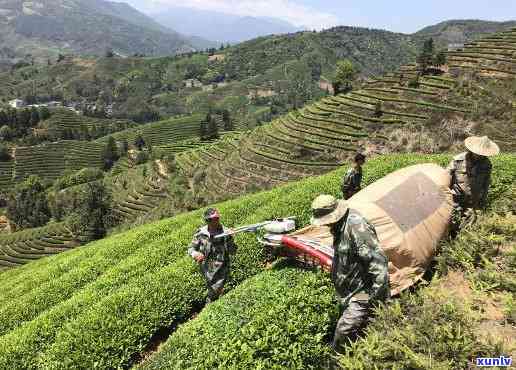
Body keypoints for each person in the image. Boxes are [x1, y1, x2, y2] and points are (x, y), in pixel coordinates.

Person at [311, 194, 390, 352]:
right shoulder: (339, 226)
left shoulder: (357, 227)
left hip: (363, 293)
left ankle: (338, 360)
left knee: (344, 329)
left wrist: (373, 299)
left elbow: (379, 265)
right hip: (349, 293)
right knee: (350, 329)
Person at [447, 136, 499, 230]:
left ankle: (461, 241)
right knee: (451, 223)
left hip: (472, 200)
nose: (479, 155)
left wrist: (483, 199)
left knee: (467, 225)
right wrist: (446, 195)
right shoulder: (458, 160)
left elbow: (486, 183)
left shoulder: (486, 164)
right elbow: (447, 177)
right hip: (456, 197)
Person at [188, 208, 237, 303]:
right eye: (212, 219)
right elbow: (191, 248)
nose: (216, 221)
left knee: (216, 291)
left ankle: (210, 305)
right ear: (207, 221)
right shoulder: (201, 233)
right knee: (212, 290)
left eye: (217, 218)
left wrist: (230, 238)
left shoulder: (225, 232)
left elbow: (233, 251)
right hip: (206, 269)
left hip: (221, 268)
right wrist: (195, 254)